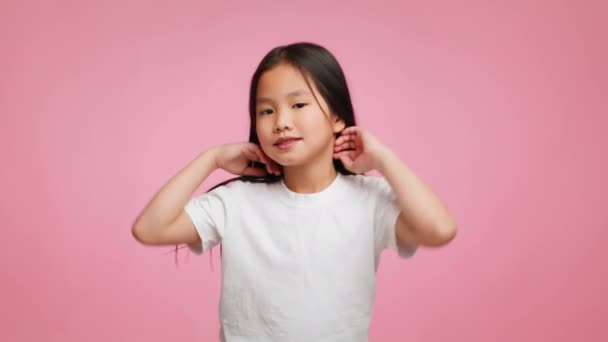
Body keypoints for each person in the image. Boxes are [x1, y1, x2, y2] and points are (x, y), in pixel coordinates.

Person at [132, 42, 457, 341]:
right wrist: (211, 159)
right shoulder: (237, 201)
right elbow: (150, 229)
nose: (281, 122)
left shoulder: (369, 200)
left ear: (337, 117)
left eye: (298, 104)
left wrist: (384, 159)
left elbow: (439, 230)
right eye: (266, 111)